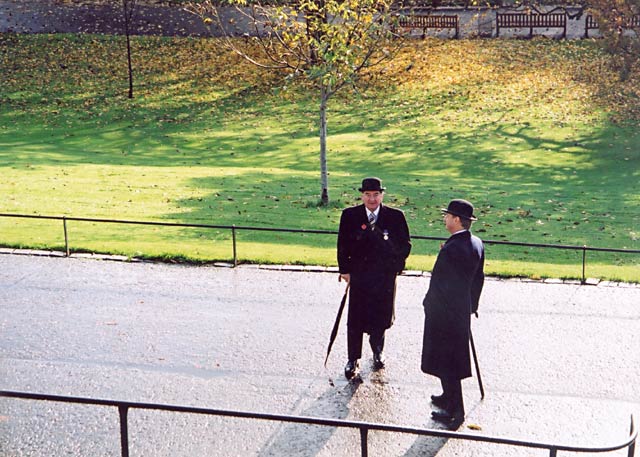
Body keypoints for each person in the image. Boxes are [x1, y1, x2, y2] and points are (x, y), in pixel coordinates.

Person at [337, 177, 411, 380]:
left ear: (382, 195)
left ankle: (378, 351)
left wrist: (395, 267)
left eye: (376, 195)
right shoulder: (350, 215)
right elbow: (342, 244)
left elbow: (405, 245)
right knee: (356, 319)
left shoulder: (395, 217)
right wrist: (345, 269)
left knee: (381, 316)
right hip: (360, 275)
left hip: (384, 276)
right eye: (368, 195)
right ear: (362, 195)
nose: (372, 199)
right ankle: (353, 359)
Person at [421, 199, 485, 430]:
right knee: (448, 359)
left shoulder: (452, 249)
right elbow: (478, 278)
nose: (445, 219)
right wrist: (471, 306)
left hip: (444, 314)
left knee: (448, 362)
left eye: (448, 216)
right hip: (460, 310)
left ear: (457, 220)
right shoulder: (475, 243)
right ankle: (447, 396)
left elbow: (439, 283)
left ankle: (456, 411)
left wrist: (429, 305)